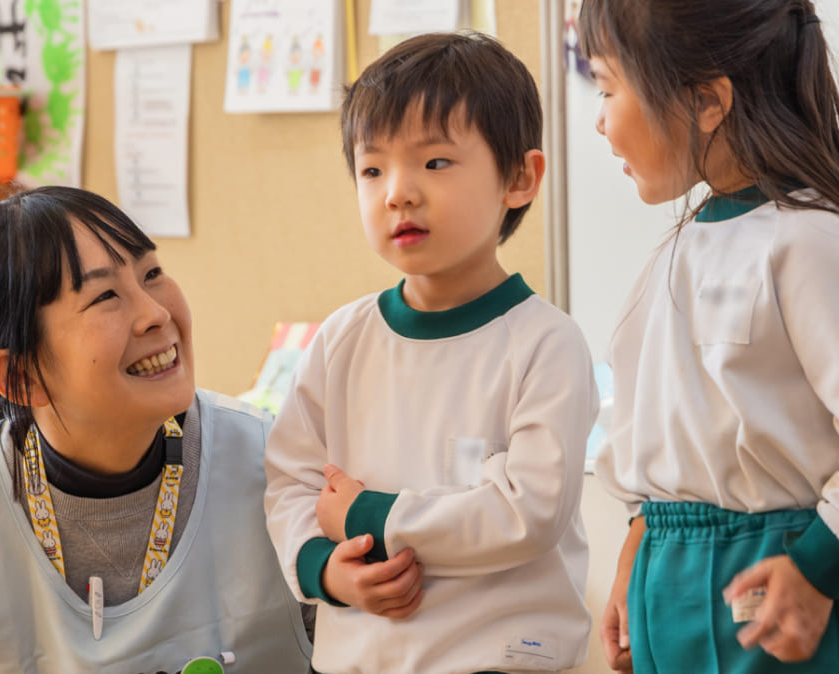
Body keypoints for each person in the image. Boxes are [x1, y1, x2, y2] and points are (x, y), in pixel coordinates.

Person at [0, 186, 313, 672]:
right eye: (106, 295)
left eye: (152, 273)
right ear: (23, 378)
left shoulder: (280, 467)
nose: (156, 314)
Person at [264, 31, 599, 674]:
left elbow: (527, 511)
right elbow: (291, 481)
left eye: (435, 163)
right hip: (357, 656)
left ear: (519, 179)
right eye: (372, 169)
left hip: (498, 659)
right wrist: (324, 568)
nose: (398, 192)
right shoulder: (341, 339)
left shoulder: (545, 343)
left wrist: (373, 515)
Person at [578, 0, 839, 672]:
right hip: (666, 576)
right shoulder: (676, 251)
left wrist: (818, 565)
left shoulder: (806, 241)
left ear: (706, 100)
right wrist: (637, 549)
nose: (601, 120)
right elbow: (661, 434)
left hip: (777, 577)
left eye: (608, 87)